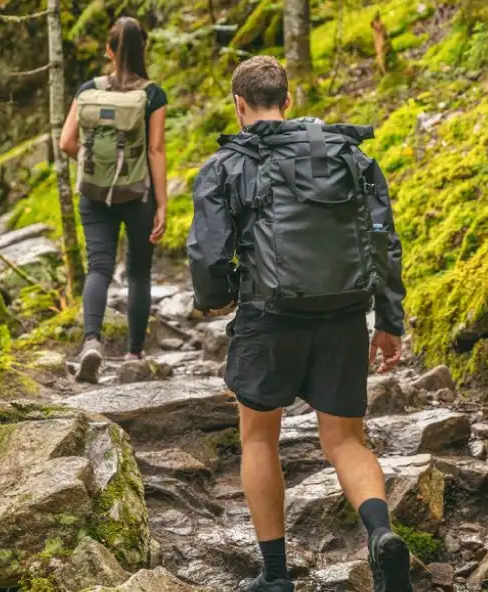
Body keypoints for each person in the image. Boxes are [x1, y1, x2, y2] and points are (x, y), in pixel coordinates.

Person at [187, 56, 412, 592]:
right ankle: (380, 534)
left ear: (239, 105)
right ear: (288, 102)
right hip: (343, 315)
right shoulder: (349, 156)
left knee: (258, 438)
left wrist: (217, 298)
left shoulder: (225, 165)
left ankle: (275, 575)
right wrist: (389, 320)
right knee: (347, 441)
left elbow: (209, 253)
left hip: (268, 318)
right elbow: (383, 241)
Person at [59, 17, 168, 382]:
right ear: (144, 49)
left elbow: (66, 142)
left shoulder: (88, 90)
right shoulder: (153, 94)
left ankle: (92, 341)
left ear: (109, 50)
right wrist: (162, 204)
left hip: (94, 194)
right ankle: (134, 354)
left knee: (99, 268)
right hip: (138, 195)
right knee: (138, 272)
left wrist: (97, 168)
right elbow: (155, 150)